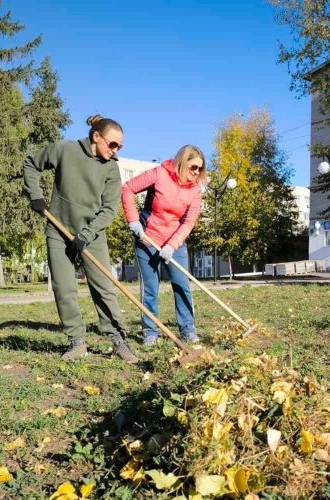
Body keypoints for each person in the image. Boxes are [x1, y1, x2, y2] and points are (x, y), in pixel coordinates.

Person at [23, 115, 138, 363]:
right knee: (64, 289)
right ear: (96, 136)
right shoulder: (65, 149)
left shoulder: (110, 168)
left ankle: (118, 340)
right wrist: (36, 197)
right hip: (58, 230)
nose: (115, 150)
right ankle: (77, 342)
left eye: (119, 146)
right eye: (113, 144)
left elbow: (109, 209)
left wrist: (85, 235)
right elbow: (31, 163)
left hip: (92, 234)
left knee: (104, 288)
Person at [121, 145, 206, 345]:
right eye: (193, 167)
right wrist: (133, 220)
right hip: (148, 239)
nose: (196, 172)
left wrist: (173, 245)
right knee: (150, 287)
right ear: (182, 162)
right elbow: (128, 188)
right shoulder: (159, 173)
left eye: (200, 169)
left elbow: (189, 222)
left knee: (181, 285)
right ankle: (150, 331)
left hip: (174, 242)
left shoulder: (195, 190)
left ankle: (187, 328)